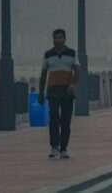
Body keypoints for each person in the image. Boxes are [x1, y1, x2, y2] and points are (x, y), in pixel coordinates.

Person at [38, 28, 80, 159]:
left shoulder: (72, 53)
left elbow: (77, 70)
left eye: (60, 38)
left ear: (64, 39)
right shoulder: (48, 54)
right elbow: (44, 74)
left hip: (67, 92)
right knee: (54, 119)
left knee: (66, 121)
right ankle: (54, 146)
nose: (57, 40)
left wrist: (73, 84)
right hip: (53, 91)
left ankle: (64, 148)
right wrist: (40, 93)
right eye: (55, 38)